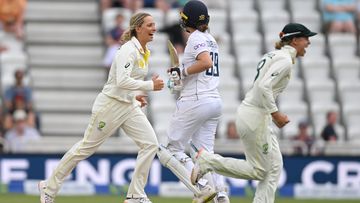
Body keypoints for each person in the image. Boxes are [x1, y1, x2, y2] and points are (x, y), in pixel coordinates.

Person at [38, 12, 165, 203]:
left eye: (154, 24)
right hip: (110, 106)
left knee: (150, 144)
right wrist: (149, 86)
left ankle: (135, 195)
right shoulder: (127, 50)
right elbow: (121, 81)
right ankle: (49, 186)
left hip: (128, 106)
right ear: (138, 28)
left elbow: (126, 82)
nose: (154, 28)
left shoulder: (143, 51)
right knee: (85, 148)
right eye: (149, 25)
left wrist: (135, 96)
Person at [190, 23, 317, 203]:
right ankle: (208, 161)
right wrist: (277, 115)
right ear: (295, 40)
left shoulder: (274, 55)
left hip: (255, 115)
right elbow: (263, 87)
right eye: (306, 38)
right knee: (260, 170)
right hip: (255, 117)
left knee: (274, 167)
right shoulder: (285, 60)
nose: (309, 43)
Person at [157, 1, 229, 203]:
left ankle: (202, 188)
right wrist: (178, 77)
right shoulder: (210, 38)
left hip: (197, 100)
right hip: (213, 100)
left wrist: (182, 71)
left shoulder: (196, 37)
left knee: (172, 149)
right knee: (204, 154)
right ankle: (221, 194)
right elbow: (200, 69)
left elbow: (205, 62)